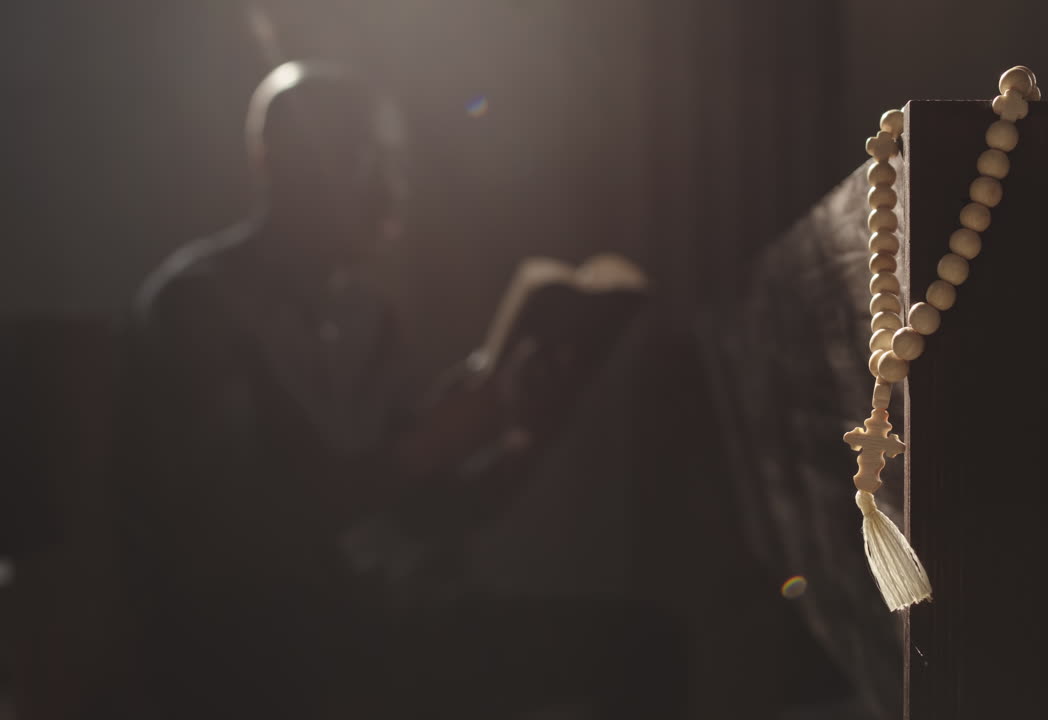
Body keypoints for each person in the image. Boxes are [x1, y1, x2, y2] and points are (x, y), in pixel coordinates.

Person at [120, 60, 682, 719]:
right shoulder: (199, 306)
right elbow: (235, 537)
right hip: (256, 650)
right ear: (277, 162)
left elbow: (433, 515)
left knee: (646, 643)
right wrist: (423, 448)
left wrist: (527, 434)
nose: (394, 189)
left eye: (398, 162)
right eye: (362, 159)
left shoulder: (369, 317)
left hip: (372, 624)